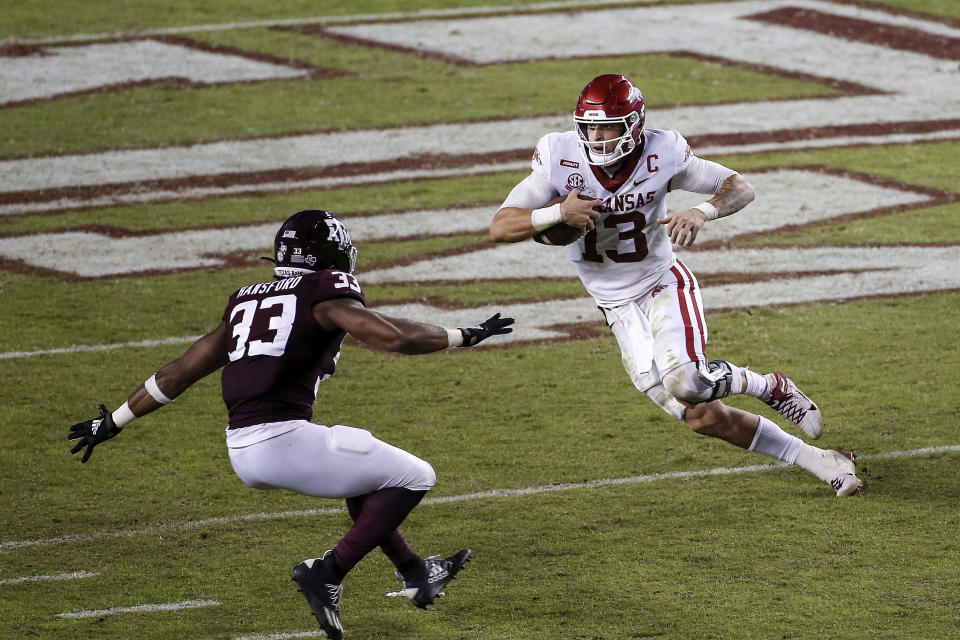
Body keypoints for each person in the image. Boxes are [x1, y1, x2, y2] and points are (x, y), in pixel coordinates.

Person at [68, 209, 515, 640]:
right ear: (323, 255)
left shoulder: (248, 302)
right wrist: (465, 335)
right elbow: (391, 337)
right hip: (282, 440)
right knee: (416, 476)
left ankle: (415, 573)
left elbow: (177, 373)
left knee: (365, 471)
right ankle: (326, 573)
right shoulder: (324, 291)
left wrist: (113, 422)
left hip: (243, 448)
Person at [489, 74, 862, 497]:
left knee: (685, 380)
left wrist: (703, 211)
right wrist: (555, 213)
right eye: (589, 125)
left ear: (634, 124)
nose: (597, 136)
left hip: (660, 283)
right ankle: (825, 461)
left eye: (608, 125)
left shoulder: (662, 151)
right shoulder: (559, 156)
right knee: (705, 417)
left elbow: (740, 186)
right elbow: (500, 226)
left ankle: (769, 386)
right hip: (615, 308)